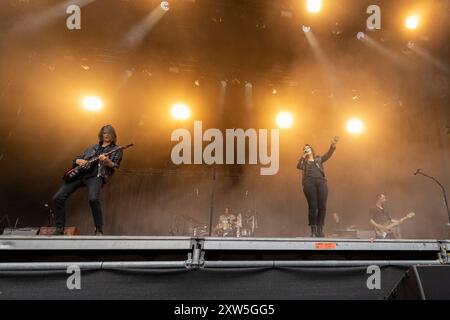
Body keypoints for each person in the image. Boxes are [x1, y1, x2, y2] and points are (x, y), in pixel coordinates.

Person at [52, 125, 123, 235]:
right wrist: (78, 160)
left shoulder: (116, 149)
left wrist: (107, 161)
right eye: (104, 133)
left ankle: (98, 230)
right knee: (58, 197)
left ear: (113, 135)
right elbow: (77, 158)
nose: (107, 135)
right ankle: (60, 229)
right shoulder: (92, 147)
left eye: (109, 133)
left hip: (96, 176)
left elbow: (115, 166)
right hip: (80, 175)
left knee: (93, 199)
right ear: (101, 135)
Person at [297, 136, 339, 237]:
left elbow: (328, 155)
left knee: (322, 206)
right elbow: (298, 166)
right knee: (313, 206)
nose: (307, 149)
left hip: (321, 182)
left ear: (312, 150)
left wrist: (332, 145)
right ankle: (313, 230)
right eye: (305, 149)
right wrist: (303, 156)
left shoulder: (318, 159)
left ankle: (320, 229)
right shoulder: (304, 161)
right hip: (309, 183)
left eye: (308, 148)